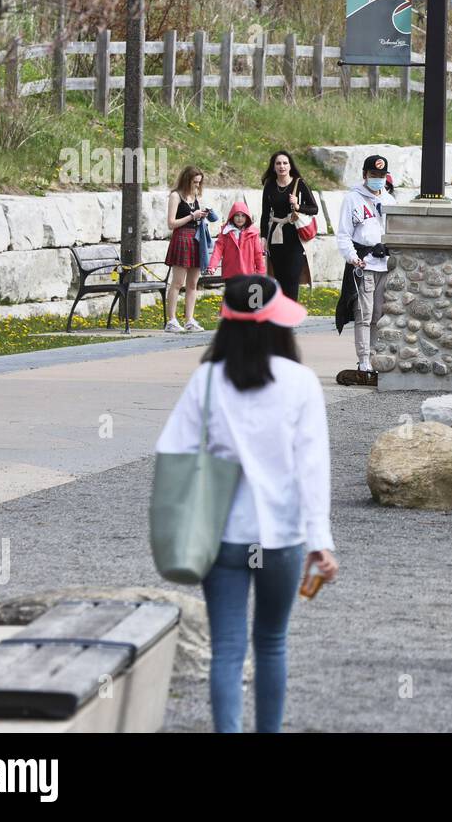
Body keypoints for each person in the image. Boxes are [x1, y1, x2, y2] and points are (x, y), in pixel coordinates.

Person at [155, 274, 338, 732]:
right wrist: (320, 541)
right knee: (272, 642)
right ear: (278, 325)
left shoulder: (207, 380)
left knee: (228, 649)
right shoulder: (300, 383)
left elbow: (172, 450)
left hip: (220, 536)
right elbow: (312, 468)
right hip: (281, 536)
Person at [335, 155, 394, 387]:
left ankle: (374, 358)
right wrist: (352, 257)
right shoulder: (353, 199)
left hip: (384, 264)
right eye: (373, 175)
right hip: (364, 264)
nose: (377, 179)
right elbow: (343, 233)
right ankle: (363, 361)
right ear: (364, 175)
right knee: (364, 314)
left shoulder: (390, 201)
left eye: (380, 176)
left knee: (379, 316)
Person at [259, 151, 319, 301]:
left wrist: (298, 206)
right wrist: (263, 237)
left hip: (295, 238)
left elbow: (314, 209)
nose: (282, 166)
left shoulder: (300, 183)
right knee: (279, 279)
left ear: (290, 166)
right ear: (273, 167)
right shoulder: (269, 185)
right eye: (278, 163)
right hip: (276, 238)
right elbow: (265, 214)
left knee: (292, 279)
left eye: (285, 163)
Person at [164, 166, 210, 333]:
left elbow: (196, 216)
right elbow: (171, 223)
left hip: (196, 239)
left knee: (193, 283)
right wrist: (192, 216)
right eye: (194, 182)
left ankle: (189, 320)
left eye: (199, 183)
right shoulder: (176, 196)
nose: (197, 186)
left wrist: (203, 215)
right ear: (186, 180)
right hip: (182, 238)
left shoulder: (195, 195)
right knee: (177, 282)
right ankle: (171, 320)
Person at [209, 200, 266, 279]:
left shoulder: (253, 234)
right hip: (230, 274)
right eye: (237, 215)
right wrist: (212, 265)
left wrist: (261, 273)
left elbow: (258, 254)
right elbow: (217, 251)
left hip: (248, 275)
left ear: (247, 217)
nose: (240, 218)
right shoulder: (225, 232)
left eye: (243, 216)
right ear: (232, 216)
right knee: (232, 292)